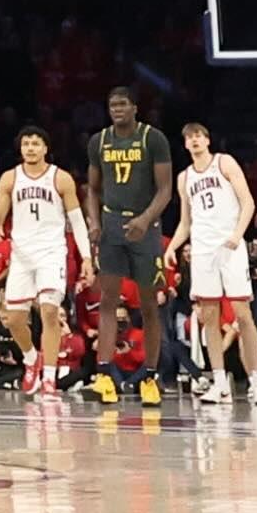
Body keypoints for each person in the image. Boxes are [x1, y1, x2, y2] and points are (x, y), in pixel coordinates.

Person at [82, 83, 176, 406]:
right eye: (112, 105)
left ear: (135, 107)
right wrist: (94, 222)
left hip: (145, 227)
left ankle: (151, 377)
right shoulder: (100, 141)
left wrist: (145, 219)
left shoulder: (154, 138)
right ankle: (105, 376)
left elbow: (165, 190)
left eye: (123, 104)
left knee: (149, 305)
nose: (117, 109)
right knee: (108, 301)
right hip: (111, 225)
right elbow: (92, 189)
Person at [173, 117, 257, 407]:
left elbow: (248, 202)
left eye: (199, 135)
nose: (195, 140)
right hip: (202, 251)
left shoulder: (225, 163)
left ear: (207, 139)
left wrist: (238, 235)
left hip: (230, 246)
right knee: (208, 318)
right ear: (186, 144)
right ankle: (220, 382)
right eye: (190, 137)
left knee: (242, 314)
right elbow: (185, 222)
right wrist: (172, 248)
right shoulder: (184, 178)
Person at [0, 127, 88, 395]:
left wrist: (87, 258)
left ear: (46, 148)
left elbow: (77, 222)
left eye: (36, 143)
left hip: (51, 251)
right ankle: (31, 359)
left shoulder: (61, 178)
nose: (30, 148)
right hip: (22, 254)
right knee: (13, 319)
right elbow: (0, 208)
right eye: (26, 144)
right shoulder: (10, 178)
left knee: (49, 311)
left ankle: (49, 377)